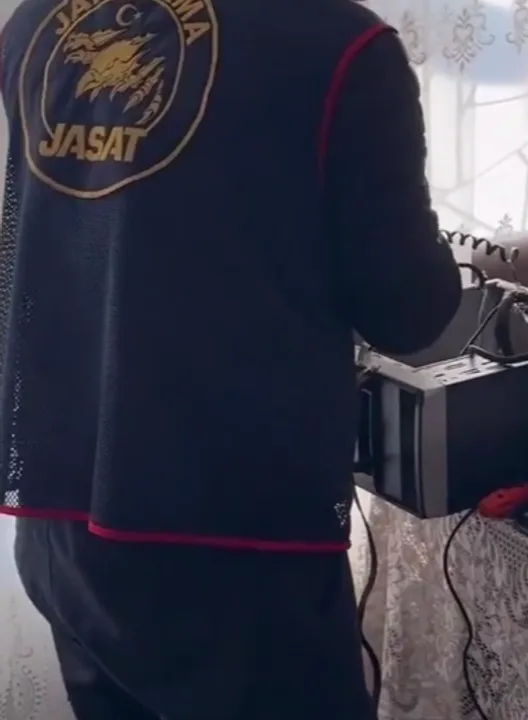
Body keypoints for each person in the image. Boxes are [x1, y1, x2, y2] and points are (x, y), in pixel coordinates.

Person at [0, 0, 462, 717]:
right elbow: (409, 315)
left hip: (62, 521)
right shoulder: (342, 45)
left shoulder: (37, 23)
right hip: (236, 547)